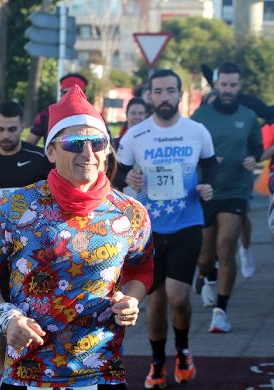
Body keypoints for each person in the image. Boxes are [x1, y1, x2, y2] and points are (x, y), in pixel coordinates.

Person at [0, 85, 154, 389]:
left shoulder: (130, 213)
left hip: (102, 373)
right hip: (28, 374)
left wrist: (132, 299)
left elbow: (142, 269)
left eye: (97, 142)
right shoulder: (17, 207)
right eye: (74, 142)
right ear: (51, 151)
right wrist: (5, 317)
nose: (88, 153)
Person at [116, 69, 217, 388]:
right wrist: (128, 178)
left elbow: (211, 164)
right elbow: (116, 174)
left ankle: (184, 350)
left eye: (170, 91)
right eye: (158, 91)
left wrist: (206, 185)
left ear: (180, 95)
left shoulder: (197, 131)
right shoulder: (135, 136)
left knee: (178, 297)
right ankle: (158, 363)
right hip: (148, 230)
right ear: (150, 96)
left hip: (187, 223)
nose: (164, 97)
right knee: (156, 302)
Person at [0, 100, 54, 373]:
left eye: (11, 129)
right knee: (1, 315)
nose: (5, 135)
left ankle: (38, 365)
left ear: (22, 127)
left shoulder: (39, 158)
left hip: (33, 249)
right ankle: (3, 370)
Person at [191, 61, 263, 333]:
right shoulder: (201, 116)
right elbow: (189, 148)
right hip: (206, 190)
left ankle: (221, 311)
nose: (229, 89)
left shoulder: (248, 115)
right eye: (224, 84)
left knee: (226, 245)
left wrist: (251, 158)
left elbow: (256, 146)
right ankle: (207, 276)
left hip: (236, 190)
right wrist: (205, 158)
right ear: (216, 85)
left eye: (233, 85)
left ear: (239, 85)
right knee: (205, 255)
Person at [26, 73, 89, 146]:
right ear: (61, 94)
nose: (71, 96)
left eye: (76, 92)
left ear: (84, 94)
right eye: (66, 93)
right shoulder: (47, 114)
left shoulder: (94, 117)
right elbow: (29, 145)